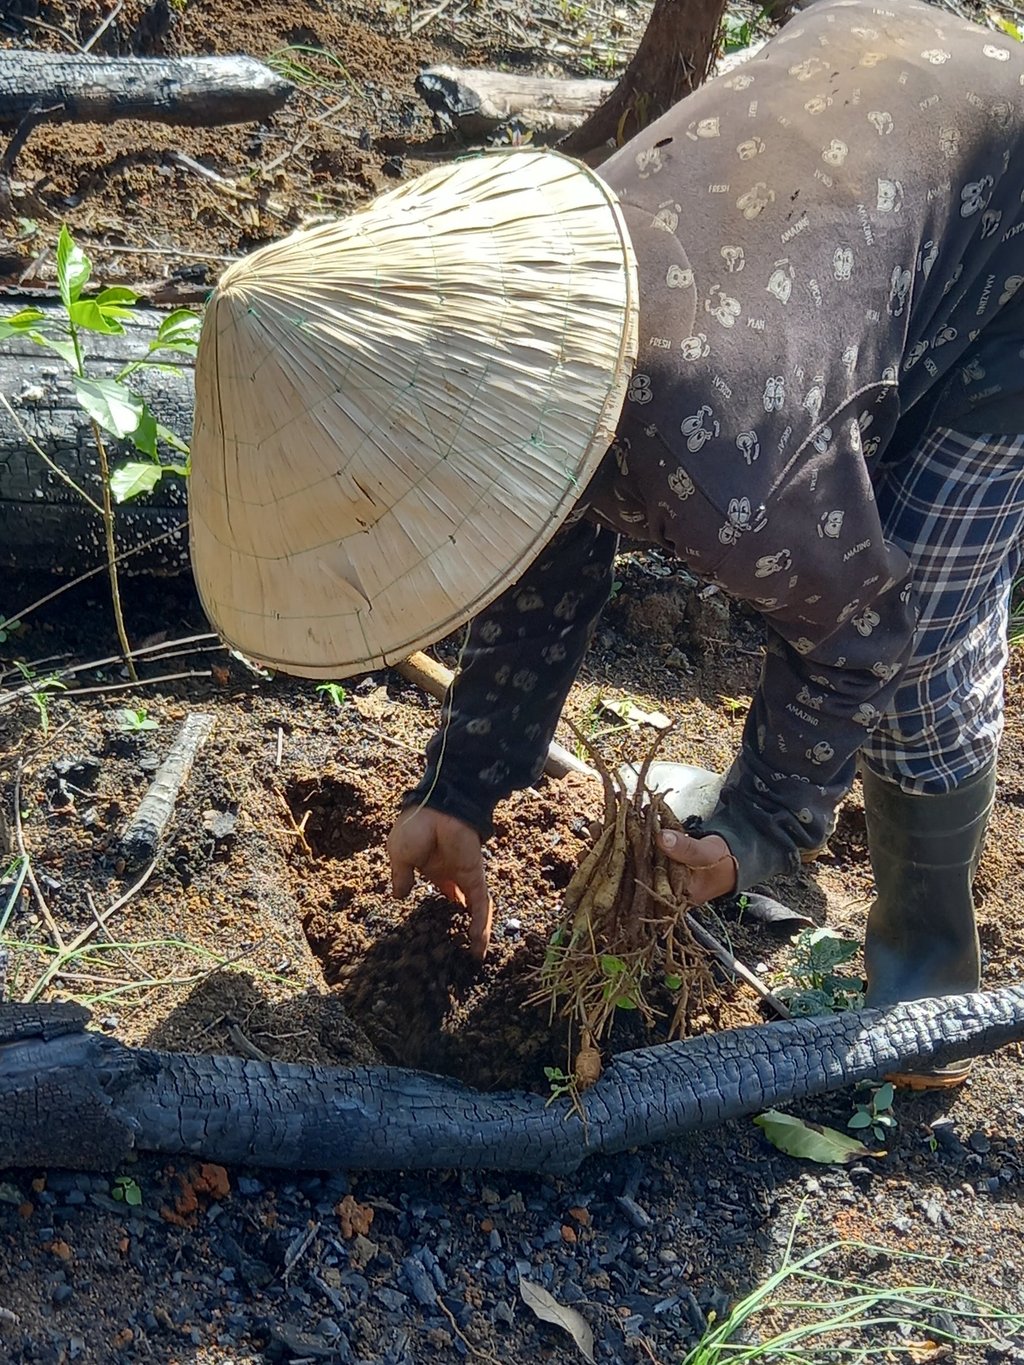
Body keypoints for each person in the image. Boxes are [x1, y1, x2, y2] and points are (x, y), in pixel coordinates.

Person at [189, 0, 1024, 1088]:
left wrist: (759, 824)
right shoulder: (518, 358)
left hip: (999, 219)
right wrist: (460, 788)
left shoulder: (722, 465)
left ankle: (928, 979)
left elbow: (858, 630)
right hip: (856, 137)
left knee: (923, 653)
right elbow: (538, 553)